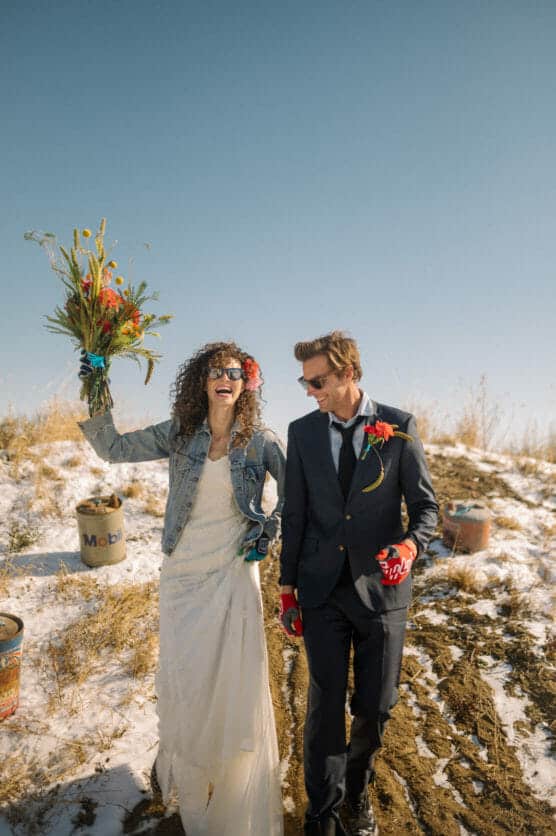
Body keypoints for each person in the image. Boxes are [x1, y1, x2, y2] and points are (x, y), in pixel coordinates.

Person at [78, 341, 286, 836]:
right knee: (187, 679)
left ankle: (231, 788)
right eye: (216, 370)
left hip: (234, 572)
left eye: (235, 372)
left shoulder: (260, 441)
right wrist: (96, 386)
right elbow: (112, 448)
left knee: (231, 683)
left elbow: (299, 494)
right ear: (202, 381)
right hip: (183, 576)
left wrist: (269, 530)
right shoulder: (179, 434)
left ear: (245, 384)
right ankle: (192, 785)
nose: (226, 378)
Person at [279, 331, 438, 836]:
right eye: (305, 383)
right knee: (325, 707)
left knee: (375, 707)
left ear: (348, 373)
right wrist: (287, 589)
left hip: (382, 592)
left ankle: (357, 791)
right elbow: (296, 515)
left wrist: (410, 548)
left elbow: (427, 508)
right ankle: (321, 815)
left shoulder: (399, 426)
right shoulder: (301, 433)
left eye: (318, 381)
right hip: (321, 590)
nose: (311, 392)